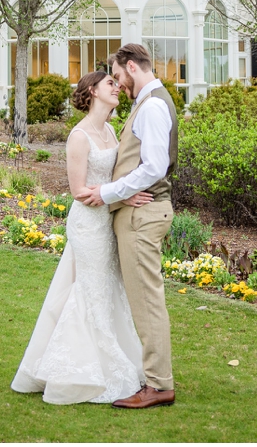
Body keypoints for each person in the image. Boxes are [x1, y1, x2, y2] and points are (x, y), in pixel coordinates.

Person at [11, 71, 152, 404]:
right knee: (90, 291)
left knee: (108, 289)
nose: (117, 88)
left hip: (108, 221)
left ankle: (115, 359)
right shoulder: (79, 136)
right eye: (110, 84)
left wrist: (124, 194)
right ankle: (80, 370)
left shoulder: (110, 131)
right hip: (88, 224)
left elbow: (116, 177)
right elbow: (78, 191)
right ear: (93, 91)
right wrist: (120, 196)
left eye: (117, 84)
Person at [77, 43, 177, 409]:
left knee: (147, 301)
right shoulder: (148, 103)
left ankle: (158, 385)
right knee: (144, 300)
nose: (119, 84)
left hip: (143, 217)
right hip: (139, 212)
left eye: (118, 76)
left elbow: (153, 167)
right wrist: (120, 195)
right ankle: (154, 378)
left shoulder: (151, 106)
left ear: (131, 67)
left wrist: (108, 192)